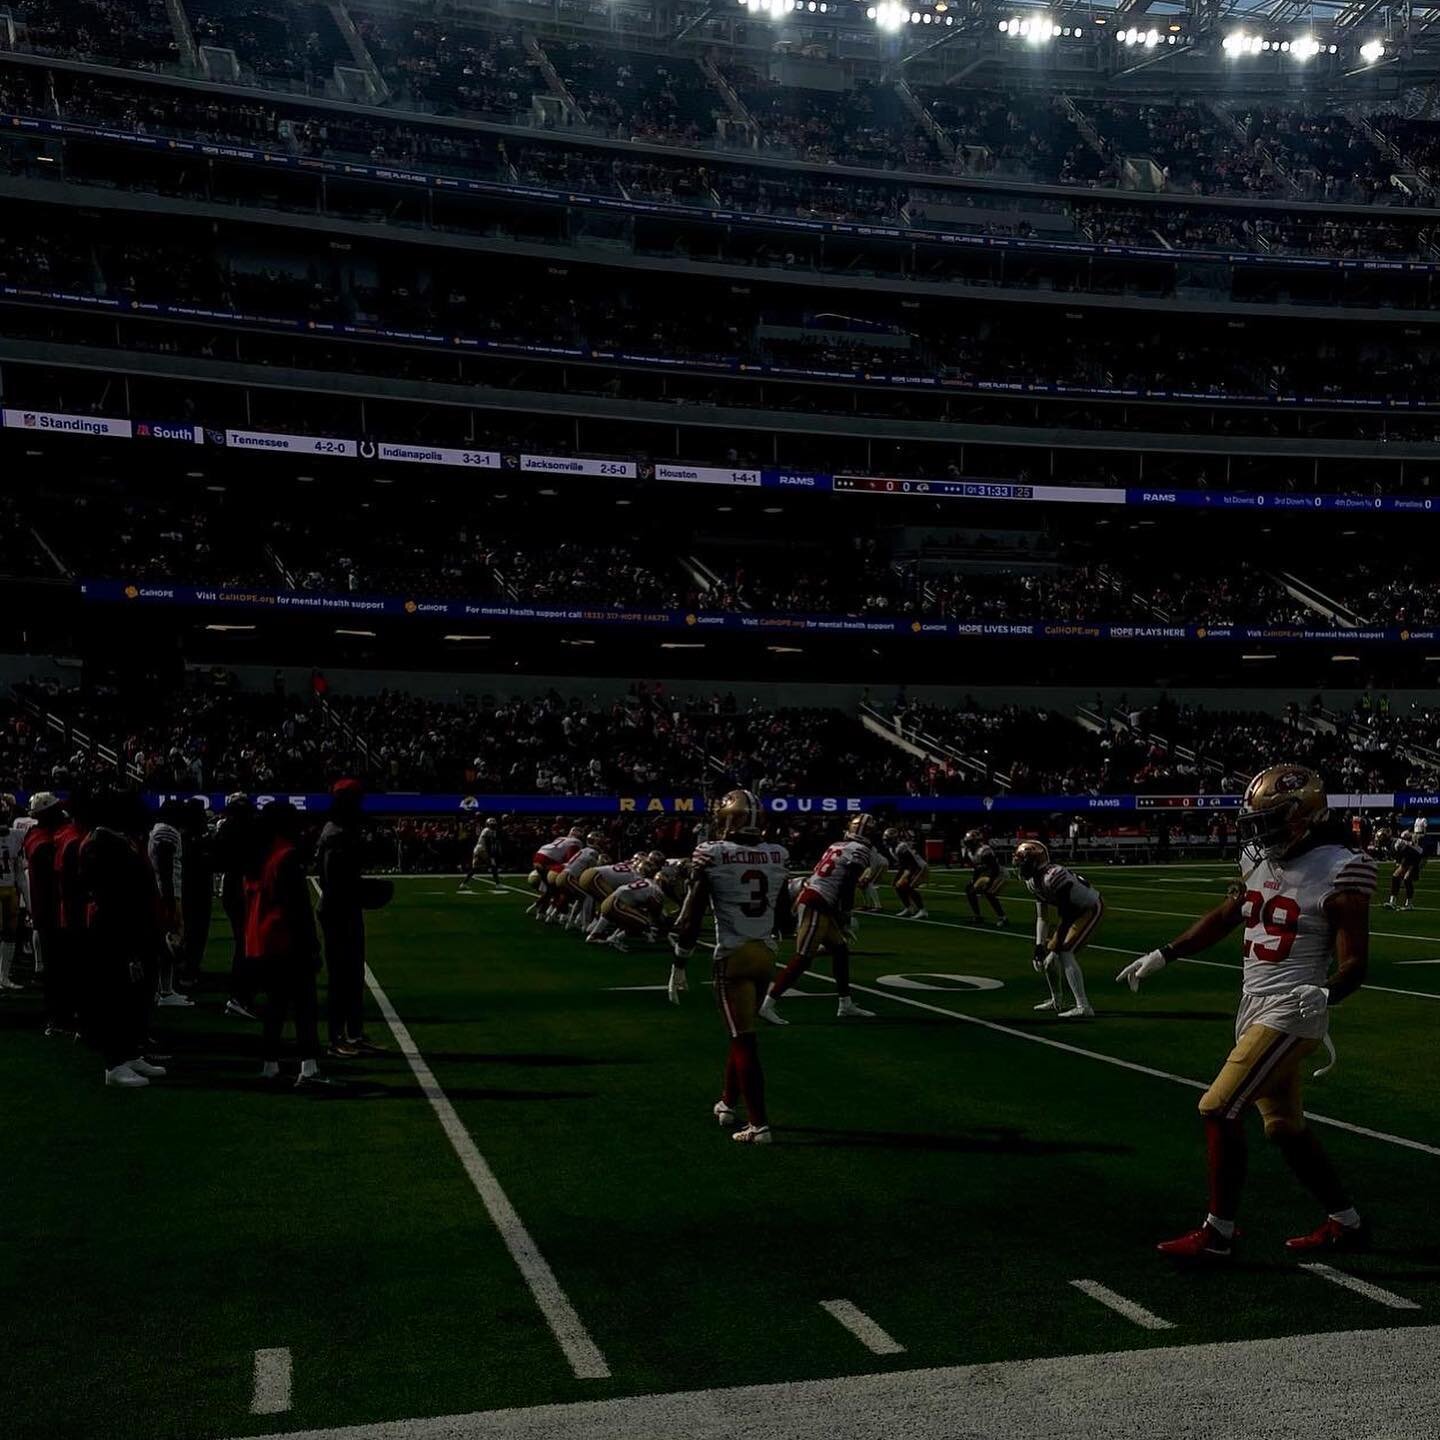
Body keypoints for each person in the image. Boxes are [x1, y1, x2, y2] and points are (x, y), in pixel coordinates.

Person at [1118, 764, 1376, 1260]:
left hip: (1291, 1007)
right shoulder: (1258, 861)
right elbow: (1226, 915)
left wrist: (1328, 994)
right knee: (1283, 1128)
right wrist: (1165, 953)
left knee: (1217, 1107)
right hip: (1254, 1003)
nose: (1260, 831)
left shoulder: (1342, 867)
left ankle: (1219, 1232)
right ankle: (1348, 1223)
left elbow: (1355, 962)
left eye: (1272, 819)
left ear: (1305, 816)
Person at [670, 789, 790, 1145]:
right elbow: (784, 914)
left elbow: (691, 918)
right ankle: (727, 1102)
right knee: (741, 1033)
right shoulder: (778, 853)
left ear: (726, 819)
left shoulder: (712, 853)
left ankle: (759, 1125)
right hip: (765, 954)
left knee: (743, 1040)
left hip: (733, 955)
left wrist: (680, 960)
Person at [80, 785, 167, 1089]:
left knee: (133, 995)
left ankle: (129, 1053)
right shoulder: (101, 843)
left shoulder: (119, 840)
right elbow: (109, 893)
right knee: (116, 995)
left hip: (130, 925)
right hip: (115, 928)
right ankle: (114, 1063)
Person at [761, 813, 877, 1025]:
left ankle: (845, 1003)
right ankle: (767, 1004)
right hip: (818, 901)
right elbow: (846, 886)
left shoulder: (837, 845)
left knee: (840, 949)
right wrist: (845, 916)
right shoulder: (861, 851)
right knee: (804, 956)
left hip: (815, 896)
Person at [245, 801, 328, 1089]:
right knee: (304, 1005)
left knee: (276, 1005)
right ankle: (308, 1066)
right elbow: (298, 908)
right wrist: (312, 946)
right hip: (287, 939)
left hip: (267, 939)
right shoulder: (286, 856)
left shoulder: (263, 854)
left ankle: (270, 1064)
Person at [317, 778, 385, 1057]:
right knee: (342, 977)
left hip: (344, 907)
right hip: (338, 909)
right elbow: (335, 881)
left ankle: (354, 1033)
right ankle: (337, 1038)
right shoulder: (336, 835)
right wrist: (363, 892)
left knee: (353, 974)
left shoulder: (342, 830)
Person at [1014, 839, 1102, 1019]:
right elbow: (1042, 917)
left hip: (1088, 908)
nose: (1019, 865)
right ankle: (1057, 1000)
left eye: (1023, 860)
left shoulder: (1053, 876)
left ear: (1035, 860)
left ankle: (1083, 1006)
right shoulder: (1033, 881)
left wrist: (1055, 944)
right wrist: (1038, 947)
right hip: (1071, 912)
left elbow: (1067, 914)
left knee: (1064, 951)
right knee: (1048, 960)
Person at [21, 792, 71, 1035]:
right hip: (53, 911)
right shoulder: (44, 843)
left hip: (46, 910)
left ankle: (58, 1014)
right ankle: (57, 1017)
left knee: (56, 968)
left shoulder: (34, 836)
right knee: (58, 968)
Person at [217, 794, 260, 1019]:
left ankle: (240, 995)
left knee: (243, 943)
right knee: (245, 945)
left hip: (232, 886)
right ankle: (240, 996)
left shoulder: (227, 830)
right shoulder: (242, 832)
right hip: (240, 888)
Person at [148, 801, 191, 1008]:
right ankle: (164, 990)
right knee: (170, 939)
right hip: (168, 891)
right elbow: (165, 868)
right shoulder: (168, 832)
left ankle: (163, 989)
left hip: (163, 889)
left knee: (165, 941)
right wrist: (169, 900)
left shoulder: (158, 830)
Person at [178, 798, 214, 987]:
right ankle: (188, 972)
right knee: (195, 932)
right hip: (195, 890)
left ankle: (189, 969)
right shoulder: (192, 839)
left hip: (192, 889)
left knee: (193, 932)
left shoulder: (188, 836)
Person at [962, 828, 1008, 927]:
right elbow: (977, 868)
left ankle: (1003, 917)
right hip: (986, 873)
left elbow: (994, 868)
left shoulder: (984, 850)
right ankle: (977, 916)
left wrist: (989, 882)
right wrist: (974, 880)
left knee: (989, 893)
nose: (968, 844)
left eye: (970, 842)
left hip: (999, 873)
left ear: (976, 841)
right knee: (970, 890)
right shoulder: (970, 852)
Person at [0, 794, 22, 991]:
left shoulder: (15, 835)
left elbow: (18, 870)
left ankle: (4, 976)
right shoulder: (15, 835)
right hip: (6, 887)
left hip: (10, 887)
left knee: (9, 934)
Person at [889, 827, 929, 920]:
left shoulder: (901, 848)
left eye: (888, 840)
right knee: (897, 885)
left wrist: (904, 877)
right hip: (909, 867)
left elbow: (911, 864)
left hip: (919, 867)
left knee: (909, 886)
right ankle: (909, 908)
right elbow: (903, 864)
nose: (886, 842)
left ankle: (922, 911)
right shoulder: (893, 848)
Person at [459, 817, 503, 892]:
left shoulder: (491, 831)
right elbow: (488, 843)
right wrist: (491, 854)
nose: (493, 826)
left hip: (478, 849)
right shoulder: (487, 830)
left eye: (494, 825)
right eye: (492, 825)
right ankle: (498, 884)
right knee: (493, 866)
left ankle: (463, 884)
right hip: (482, 850)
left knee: (475, 868)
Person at [1386, 828, 1422, 911]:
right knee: (1396, 876)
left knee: (1406, 879)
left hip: (1417, 857)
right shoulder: (1393, 844)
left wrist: (1404, 867)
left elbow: (1408, 854)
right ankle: (1392, 902)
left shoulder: (1396, 844)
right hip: (1411, 856)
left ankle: (1409, 904)